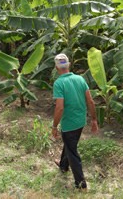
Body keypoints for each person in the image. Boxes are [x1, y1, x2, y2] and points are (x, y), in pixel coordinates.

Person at [51, 53, 99, 190]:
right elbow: (90, 101)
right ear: (69, 64)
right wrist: (94, 119)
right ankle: (63, 166)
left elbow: (59, 108)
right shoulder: (80, 79)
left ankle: (81, 184)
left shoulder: (59, 83)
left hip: (69, 124)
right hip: (80, 121)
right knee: (69, 144)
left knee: (73, 152)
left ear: (56, 67)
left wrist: (54, 126)